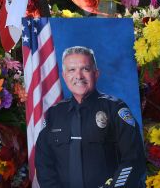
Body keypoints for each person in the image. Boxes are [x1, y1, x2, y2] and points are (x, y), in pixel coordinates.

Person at [35, 46, 145, 188]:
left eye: (85, 69)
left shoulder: (115, 109)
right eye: (72, 70)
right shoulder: (54, 114)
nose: (79, 76)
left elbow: (133, 159)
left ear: (96, 73)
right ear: (64, 75)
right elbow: (43, 163)